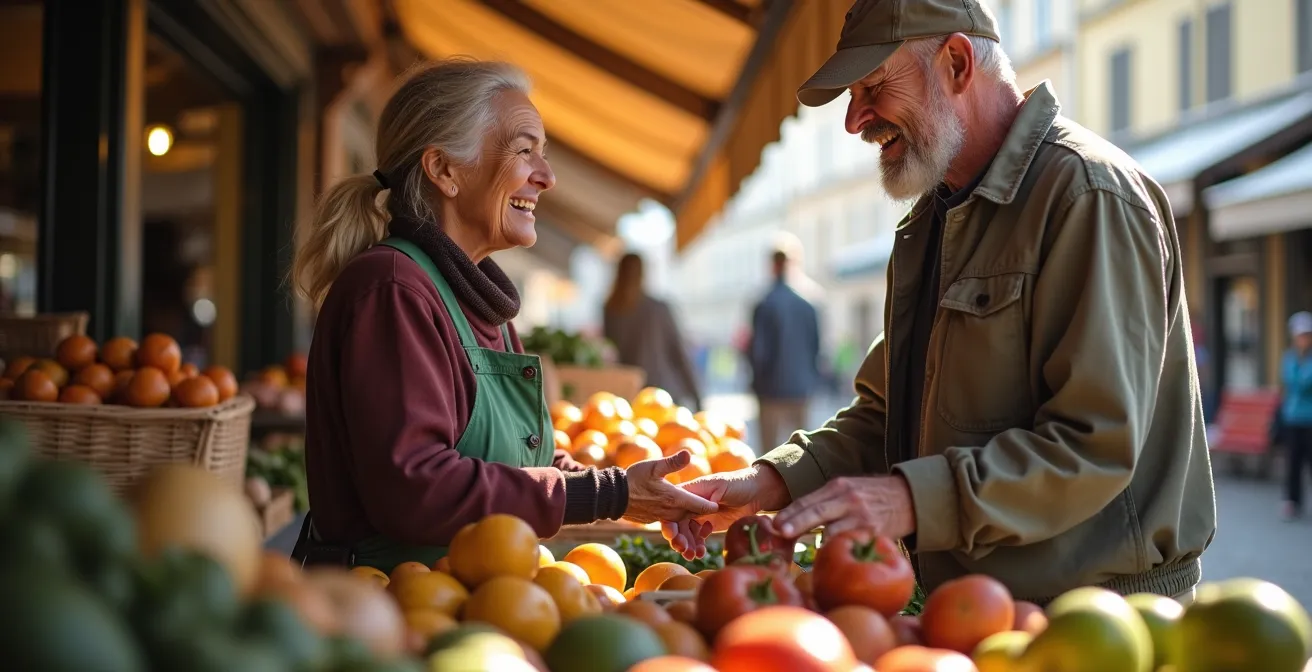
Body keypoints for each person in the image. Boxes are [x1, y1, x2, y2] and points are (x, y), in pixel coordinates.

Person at [663, 0, 1216, 606]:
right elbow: (886, 416)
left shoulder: (1088, 196)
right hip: (973, 611)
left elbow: (1093, 445)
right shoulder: (933, 218)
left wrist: (906, 499)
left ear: (956, 63)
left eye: (873, 86)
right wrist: (772, 479)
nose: (855, 121)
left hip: (1095, 615)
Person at [288, 59, 716, 573]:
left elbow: (523, 463)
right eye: (524, 150)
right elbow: (415, 486)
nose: (548, 176)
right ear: (444, 170)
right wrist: (608, 494)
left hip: (473, 597)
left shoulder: (472, 295)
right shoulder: (392, 289)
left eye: (544, 154)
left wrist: (633, 489)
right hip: (393, 612)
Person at [602, 252, 704, 411]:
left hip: (629, 395)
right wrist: (697, 396)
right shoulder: (659, 309)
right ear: (642, 274)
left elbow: (612, 354)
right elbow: (678, 354)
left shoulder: (610, 310)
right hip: (662, 394)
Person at [748, 247, 823, 449]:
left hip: (771, 390)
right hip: (800, 389)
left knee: (769, 455)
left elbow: (758, 351)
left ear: (772, 266)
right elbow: (816, 348)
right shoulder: (808, 304)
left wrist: (756, 383)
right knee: (800, 454)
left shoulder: (764, 303)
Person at [1279, 311, 1312, 520]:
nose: (1303, 339)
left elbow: (1303, 383)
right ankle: (1292, 501)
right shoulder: (1289, 357)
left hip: (1310, 419)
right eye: (1300, 335)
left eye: (1307, 334)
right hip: (1292, 418)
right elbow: (1292, 381)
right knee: (1293, 462)